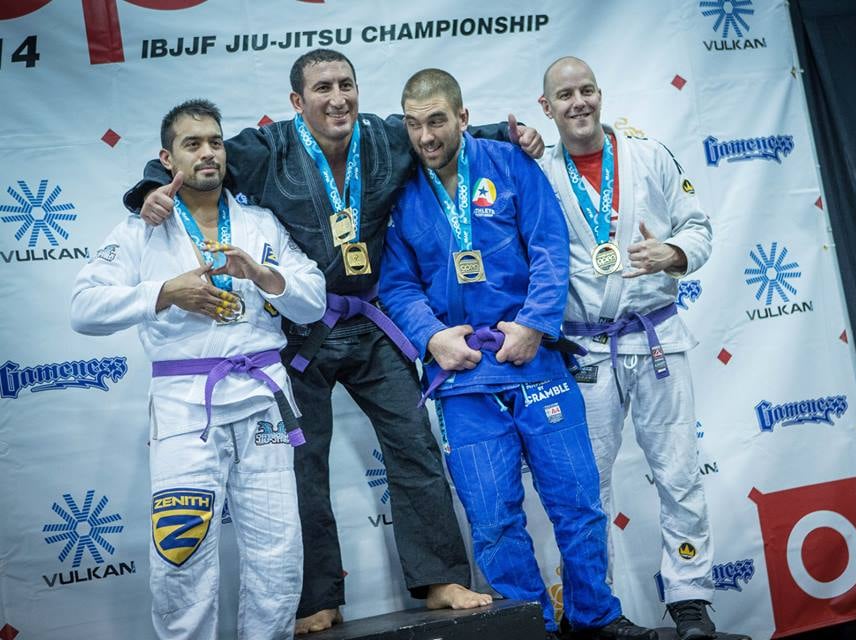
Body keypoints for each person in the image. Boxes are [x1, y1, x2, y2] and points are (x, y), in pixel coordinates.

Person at [122, 48, 544, 634]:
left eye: (346, 84)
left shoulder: (386, 138)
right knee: (301, 461)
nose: (337, 97)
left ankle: (441, 578)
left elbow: (439, 134)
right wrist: (147, 188)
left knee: (414, 444)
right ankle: (315, 597)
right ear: (297, 101)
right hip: (300, 333)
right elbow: (192, 157)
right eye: (322, 88)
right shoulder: (264, 150)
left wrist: (515, 135)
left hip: (372, 321)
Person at [379, 67, 656, 640]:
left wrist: (533, 324)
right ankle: (528, 627)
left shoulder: (510, 165)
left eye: (436, 121)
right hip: (463, 375)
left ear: (461, 117)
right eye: (413, 125)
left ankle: (595, 617)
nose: (426, 137)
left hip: (534, 361)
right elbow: (398, 284)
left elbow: (550, 248)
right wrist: (432, 337)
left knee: (577, 501)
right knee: (492, 519)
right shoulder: (403, 194)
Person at [72, 99, 327, 640]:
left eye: (214, 141)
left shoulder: (260, 222)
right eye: (193, 144)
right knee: (181, 551)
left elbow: (314, 302)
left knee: (277, 549)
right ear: (167, 159)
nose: (208, 152)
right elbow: (84, 308)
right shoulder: (141, 231)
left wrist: (263, 275)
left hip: (262, 401)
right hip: (186, 404)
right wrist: (166, 292)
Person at [537, 57, 716, 640]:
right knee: (588, 489)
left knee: (680, 473)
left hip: (658, 336)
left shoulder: (648, 154)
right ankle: (593, 609)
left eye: (586, 89)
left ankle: (690, 601)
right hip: (587, 351)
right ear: (547, 107)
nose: (578, 102)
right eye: (564, 95)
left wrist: (674, 253)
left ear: (600, 93)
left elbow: (699, 228)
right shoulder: (538, 170)